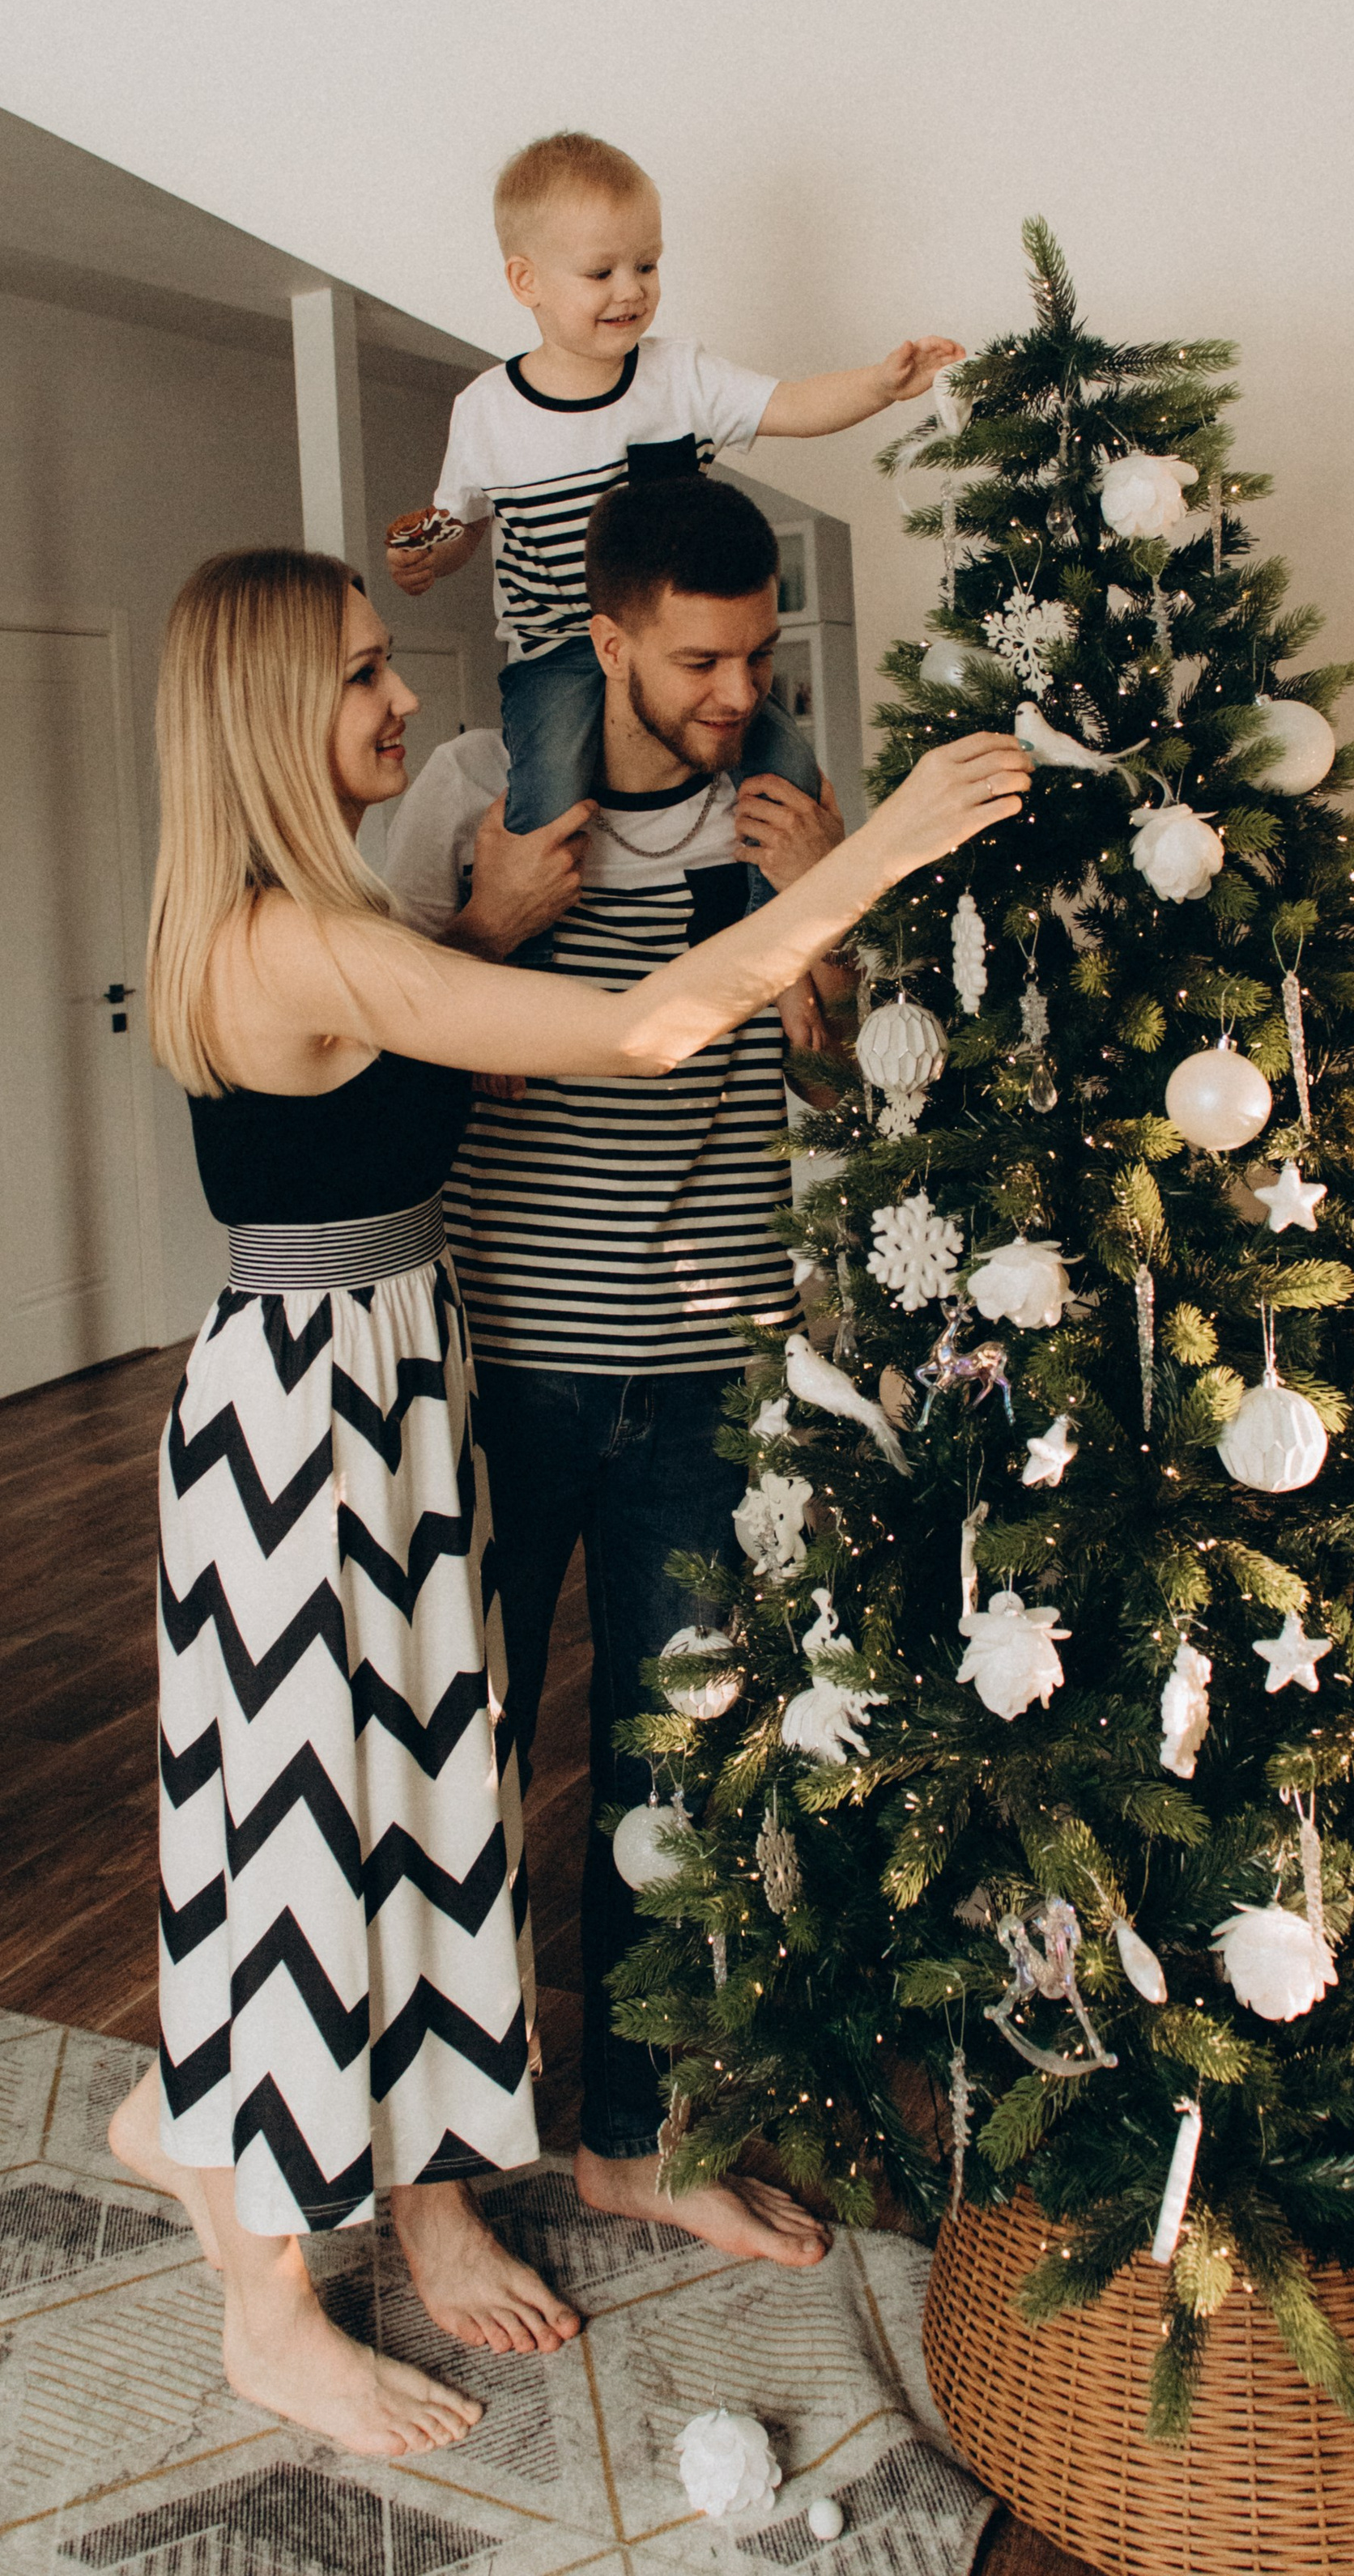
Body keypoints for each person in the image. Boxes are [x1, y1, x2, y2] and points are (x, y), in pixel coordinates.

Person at [106, 542, 1028, 2461]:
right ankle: (270, 2311)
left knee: (413, 1815)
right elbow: (636, 1029)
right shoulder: (288, 933)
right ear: (272, 710)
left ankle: (234, 2118)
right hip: (309, 1422)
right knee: (306, 1833)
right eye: (361, 674)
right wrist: (882, 849)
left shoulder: (340, 908)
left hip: (383, 1377)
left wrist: (488, 923)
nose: (397, 702)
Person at [383, 473, 871, 2269]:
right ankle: (428, 2182)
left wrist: (826, 915)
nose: (734, 690)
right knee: (458, 1772)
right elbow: (355, 1062)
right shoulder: (473, 792)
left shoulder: (793, 801)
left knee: (674, 1776)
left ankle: (630, 2141)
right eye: (694, 658)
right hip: (502, 1368)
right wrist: (488, 929)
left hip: (710, 1377)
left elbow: (848, 1092)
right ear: (600, 634)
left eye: (753, 654)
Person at [385, 129, 960, 1028]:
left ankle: (788, 955)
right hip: (558, 652)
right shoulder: (488, 411)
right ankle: (517, 987)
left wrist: (878, 388)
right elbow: (458, 520)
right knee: (542, 802)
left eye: (647, 265)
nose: (631, 291)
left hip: (666, 641)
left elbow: (789, 406)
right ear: (525, 282)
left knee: (792, 774)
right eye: (601, 272)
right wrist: (425, 552)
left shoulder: (677, 377)